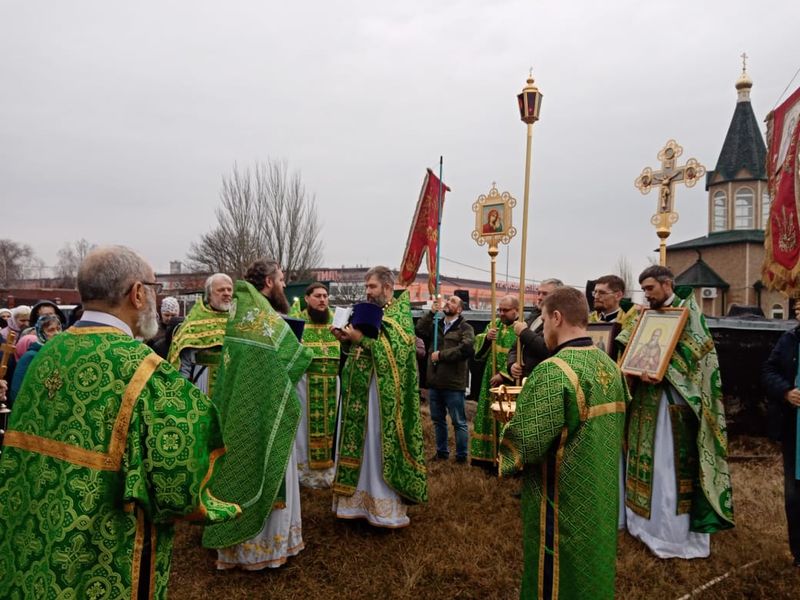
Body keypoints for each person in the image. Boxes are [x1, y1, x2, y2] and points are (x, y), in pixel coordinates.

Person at [0, 245, 240, 599]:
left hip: (38, 530)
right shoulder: (144, 370)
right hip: (110, 542)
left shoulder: (49, 352)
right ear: (137, 292)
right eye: (154, 289)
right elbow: (175, 479)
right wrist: (217, 507)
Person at [499, 287, 628, 599]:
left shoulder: (553, 371)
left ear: (556, 317)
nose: (541, 330)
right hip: (601, 494)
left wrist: (506, 446)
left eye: (542, 321)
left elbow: (527, 443)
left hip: (562, 498)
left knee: (556, 568)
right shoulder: (609, 365)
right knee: (591, 565)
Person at [619, 265, 734, 559]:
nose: (646, 295)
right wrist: (633, 367)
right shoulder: (647, 316)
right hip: (646, 400)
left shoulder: (688, 312)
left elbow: (697, 356)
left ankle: (671, 537)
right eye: (643, 290)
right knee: (646, 463)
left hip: (674, 405)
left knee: (666, 467)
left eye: (650, 289)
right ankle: (642, 526)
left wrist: (660, 370)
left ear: (667, 284)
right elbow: (631, 348)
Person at [208, 258, 313, 570]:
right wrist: (304, 350)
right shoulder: (262, 316)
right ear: (269, 282)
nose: (283, 284)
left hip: (242, 409)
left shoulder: (243, 310)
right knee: (267, 463)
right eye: (280, 279)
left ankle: (241, 548)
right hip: (264, 409)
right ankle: (264, 548)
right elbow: (294, 357)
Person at [331, 266, 428, 527]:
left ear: (387, 287)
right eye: (366, 287)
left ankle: (382, 508)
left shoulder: (399, 315)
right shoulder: (367, 311)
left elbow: (397, 353)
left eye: (372, 287)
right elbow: (357, 348)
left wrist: (362, 339)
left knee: (376, 443)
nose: (368, 292)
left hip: (382, 399)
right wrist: (345, 339)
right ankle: (354, 505)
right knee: (360, 443)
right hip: (360, 394)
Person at [291, 282, 341, 488]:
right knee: (304, 428)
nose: (323, 300)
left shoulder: (337, 322)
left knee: (333, 428)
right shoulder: (298, 322)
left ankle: (329, 473)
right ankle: (305, 475)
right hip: (306, 385)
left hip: (332, 384)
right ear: (307, 299)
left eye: (325, 296)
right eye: (318, 296)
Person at [762, 298, 800, 567]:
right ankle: (799, 552)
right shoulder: (789, 339)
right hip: (795, 429)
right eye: (797, 306)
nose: (797, 310)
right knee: (795, 493)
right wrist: (786, 391)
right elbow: (768, 370)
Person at [416, 295, 474, 462]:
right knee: (438, 420)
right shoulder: (436, 325)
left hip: (454, 383)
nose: (448, 302)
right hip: (435, 382)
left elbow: (466, 349)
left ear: (460, 309)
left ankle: (462, 456)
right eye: (448, 300)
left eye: (453, 301)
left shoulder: (465, 328)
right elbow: (419, 330)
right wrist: (430, 314)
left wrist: (441, 355)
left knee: (459, 422)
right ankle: (442, 453)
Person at [471, 294, 518, 467]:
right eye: (500, 310)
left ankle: (504, 460)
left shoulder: (521, 329)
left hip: (509, 385)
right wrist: (485, 338)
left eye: (506, 310)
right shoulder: (494, 325)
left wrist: (504, 374)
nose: (501, 313)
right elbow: (478, 349)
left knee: (505, 420)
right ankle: (485, 457)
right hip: (489, 380)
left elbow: (522, 356)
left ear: (516, 310)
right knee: (487, 415)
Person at [168, 273, 233, 396]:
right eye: (220, 290)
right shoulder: (194, 323)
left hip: (231, 395)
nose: (226, 293)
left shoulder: (238, 321)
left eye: (229, 289)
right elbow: (183, 368)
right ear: (209, 295)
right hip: (201, 394)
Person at [508, 278, 562, 380]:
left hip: (541, 378)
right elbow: (515, 347)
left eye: (545, 294)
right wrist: (512, 364)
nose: (540, 297)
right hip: (524, 379)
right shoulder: (532, 317)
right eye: (539, 293)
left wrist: (524, 332)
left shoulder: (558, 320)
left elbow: (547, 349)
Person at [8, 314, 62, 403]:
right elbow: (17, 389)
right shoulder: (31, 356)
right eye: (51, 330)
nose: (56, 333)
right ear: (40, 333)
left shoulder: (59, 353)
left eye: (58, 329)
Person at [0, 305, 31, 385]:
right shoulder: (3, 333)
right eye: (22, 320)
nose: (26, 323)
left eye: (28, 320)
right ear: (14, 319)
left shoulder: (31, 332)